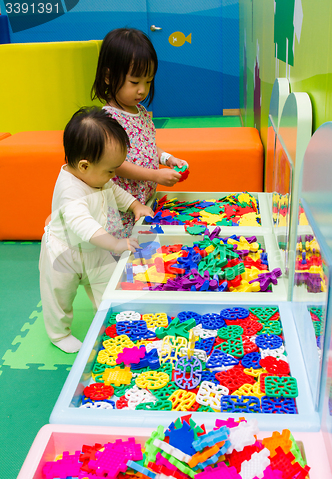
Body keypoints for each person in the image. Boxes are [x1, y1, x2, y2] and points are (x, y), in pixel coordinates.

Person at [39, 107, 153, 353]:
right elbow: (83, 224)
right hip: (64, 252)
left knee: (109, 283)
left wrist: (135, 205)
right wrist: (115, 243)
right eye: (110, 170)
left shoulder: (96, 177)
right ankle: (59, 334)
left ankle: (112, 320)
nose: (113, 176)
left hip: (94, 249)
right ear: (83, 165)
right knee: (58, 295)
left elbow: (115, 190)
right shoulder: (71, 190)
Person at [91, 27, 189, 237]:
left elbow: (146, 145)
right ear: (108, 77)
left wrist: (167, 158)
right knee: (121, 253)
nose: (142, 90)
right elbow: (115, 165)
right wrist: (155, 175)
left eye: (148, 81)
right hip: (122, 208)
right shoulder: (108, 119)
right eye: (134, 82)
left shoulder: (142, 112)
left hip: (144, 200)